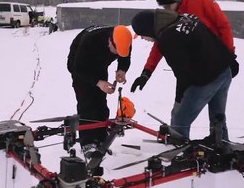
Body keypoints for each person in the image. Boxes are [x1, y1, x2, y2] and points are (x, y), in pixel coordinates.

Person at [131, 9, 235, 140]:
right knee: (218, 118)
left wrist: (179, 98)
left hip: (206, 80)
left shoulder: (168, 39)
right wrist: (146, 73)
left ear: (148, 29)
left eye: (142, 34)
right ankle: (221, 145)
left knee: (179, 120)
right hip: (224, 71)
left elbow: (182, 74)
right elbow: (212, 36)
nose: (142, 38)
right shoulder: (185, 17)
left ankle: (181, 154)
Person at [67, 25, 133, 154]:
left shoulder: (124, 40)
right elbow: (78, 69)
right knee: (87, 102)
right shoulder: (90, 41)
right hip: (79, 65)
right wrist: (98, 82)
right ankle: (87, 142)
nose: (116, 54)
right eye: (115, 51)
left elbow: (125, 57)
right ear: (110, 41)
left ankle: (101, 137)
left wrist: (122, 69)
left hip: (100, 64)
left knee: (100, 101)